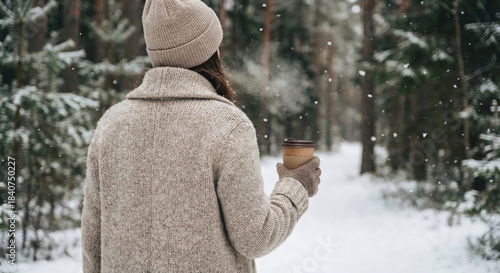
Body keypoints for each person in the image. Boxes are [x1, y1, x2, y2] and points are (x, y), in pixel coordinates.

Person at [81, 0, 322, 272]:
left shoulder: (111, 125)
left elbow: (92, 246)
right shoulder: (227, 125)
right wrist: (295, 186)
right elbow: (256, 236)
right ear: (210, 52)